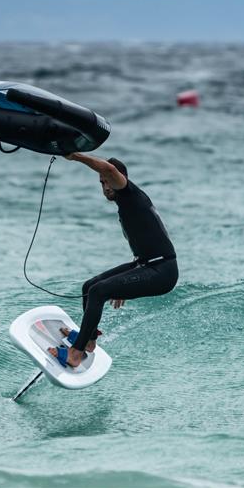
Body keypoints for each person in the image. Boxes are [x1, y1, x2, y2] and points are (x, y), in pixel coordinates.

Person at [47, 153, 178, 367]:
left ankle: (75, 355)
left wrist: (74, 156)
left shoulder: (129, 192)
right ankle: (88, 341)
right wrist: (129, 279)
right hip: (146, 264)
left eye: (108, 181)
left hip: (162, 271)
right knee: (90, 287)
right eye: (101, 183)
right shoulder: (127, 203)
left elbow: (108, 169)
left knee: (100, 291)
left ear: (120, 178)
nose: (105, 186)